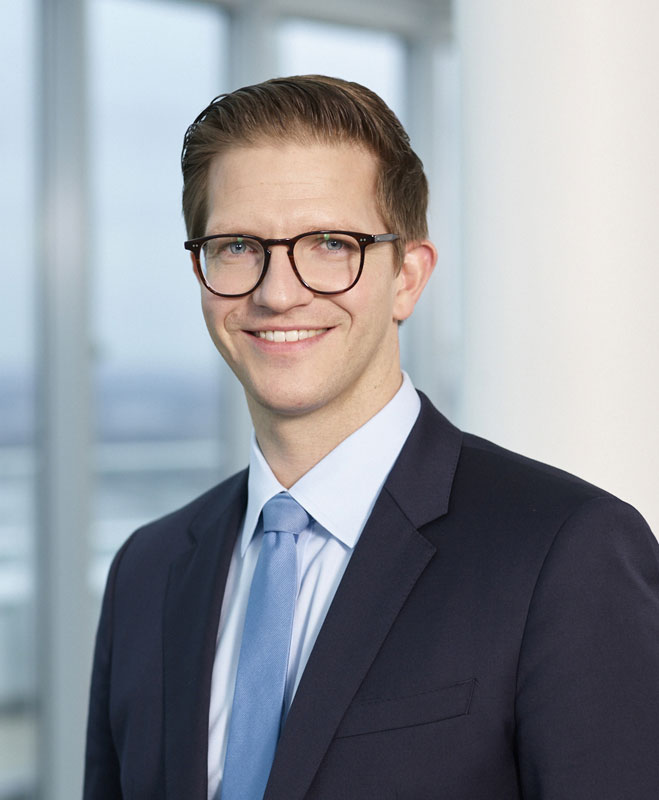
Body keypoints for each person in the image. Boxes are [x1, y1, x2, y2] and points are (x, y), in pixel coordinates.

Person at [83, 75, 659, 800]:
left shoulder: (567, 552)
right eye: (237, 246)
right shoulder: (147, 571)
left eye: (331, 243)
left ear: (406, 278)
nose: (276, 292)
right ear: (201, 271)